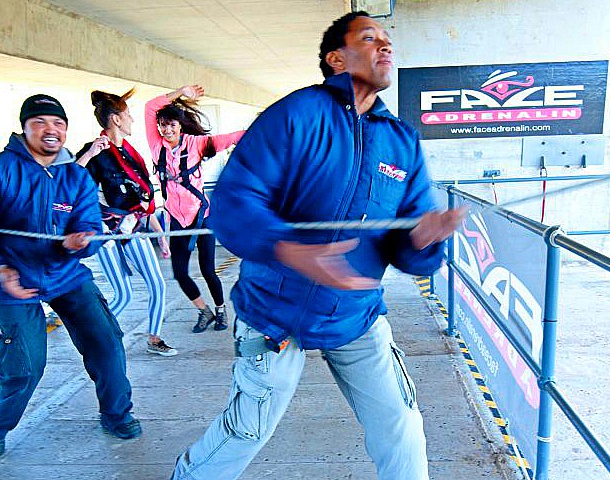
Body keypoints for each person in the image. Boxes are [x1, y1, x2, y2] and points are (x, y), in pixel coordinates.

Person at [169, 12, 466, 480]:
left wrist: (423, 241)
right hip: (272, 314)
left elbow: (411, 249)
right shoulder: (295, 115)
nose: (386, 48)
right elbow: (233, 201)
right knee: (246, 431)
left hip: (357, 314)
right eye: (370, 39)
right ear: (337, 58)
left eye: (388, 41)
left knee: (401, 425)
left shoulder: (402, 141)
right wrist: (291, 250)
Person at [0, 94, 141, 459]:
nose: (51, 130)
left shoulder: (75, 177)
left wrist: (79, 243)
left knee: (107, 342)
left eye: (58, 124)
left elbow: (87, 224)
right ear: (24, 128)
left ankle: (117, 414)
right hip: (8, 281)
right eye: (40, 123)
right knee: (23, 364)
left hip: (65, 274)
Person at [76, 88, 176, 357]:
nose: (132, 120)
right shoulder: (95, 151)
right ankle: (94, 335)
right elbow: (70, 185)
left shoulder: (130, 154)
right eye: (128, 115)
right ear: (116, 120)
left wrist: (161, 235)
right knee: (123, 295)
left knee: (158, 284)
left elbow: (140, 201)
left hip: (134, 229)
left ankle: (154, 338)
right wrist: (88, 155)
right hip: (107, 233)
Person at [145, 85, 245, 334]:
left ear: (180, 126)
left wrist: (265, 132)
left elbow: (234, 137)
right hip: (178, 220)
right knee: (179, 273)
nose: (167, 130)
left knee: (208, 270)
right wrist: (180, 92)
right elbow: (150, 107)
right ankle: (204, 311)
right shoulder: (157, 148)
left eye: (172, 125)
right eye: (163, 125)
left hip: (202, 217)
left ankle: (221, 310)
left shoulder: (197, 144)